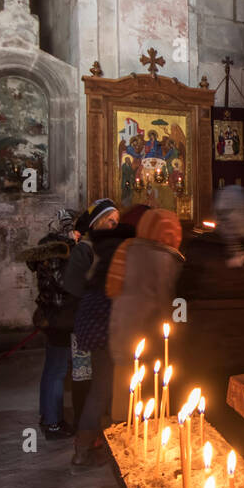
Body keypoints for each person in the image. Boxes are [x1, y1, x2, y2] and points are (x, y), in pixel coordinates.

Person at [67, 198, 141, 465]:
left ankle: (93, 440)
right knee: (102, 386)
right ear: (98, 221)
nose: (114, 224)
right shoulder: (89, 249)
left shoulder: (109, 247)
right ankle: (89, 443)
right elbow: (74, 286)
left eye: (117, 221)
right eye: (110, 220)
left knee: (106, 386)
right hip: (100, 325)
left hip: (100, 324)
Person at [105, 207, 184, 424]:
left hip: (122, 333)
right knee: (155, 397)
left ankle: (119, 443)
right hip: (154, 340)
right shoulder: (169, 259)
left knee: (124, 396)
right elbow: (172, 304)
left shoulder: (126, 249)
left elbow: (113, 290)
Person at [21, 208, 81, 440]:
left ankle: (49, 416)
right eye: (75, 229)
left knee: (53, 369)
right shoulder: (59, 250)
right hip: (60, 317)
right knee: (56, 370)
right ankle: (53, 423)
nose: (78, 234)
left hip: (54, 315)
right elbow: (64, 282)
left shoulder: (49, 247)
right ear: (66, 228)